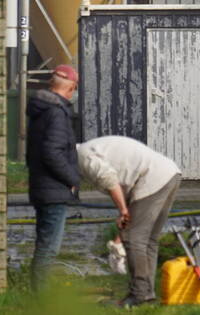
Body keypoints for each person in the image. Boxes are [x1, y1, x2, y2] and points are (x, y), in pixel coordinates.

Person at [76, 135, 182, 307]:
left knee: (134, 239)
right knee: (148, 240)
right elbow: (122, 183)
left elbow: (110, 181)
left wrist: (123, 211)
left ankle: (139, 294)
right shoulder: (89, 150)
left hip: (153, 177)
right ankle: (146, 294)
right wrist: (124, 220)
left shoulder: (84, 156)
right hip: (169, 173)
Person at [26, 64, 81, 290]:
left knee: (43, 247)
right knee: (48, 250)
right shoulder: (57, 113)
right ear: (71, 88)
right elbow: (52, 152)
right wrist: (73, 179)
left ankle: (38, 295)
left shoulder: (41, 111)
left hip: (42, 186)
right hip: (54, 189)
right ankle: (41, 300)